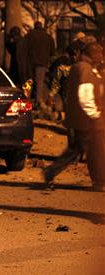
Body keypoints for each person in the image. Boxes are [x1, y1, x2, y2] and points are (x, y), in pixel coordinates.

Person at [44, 42, 104, 192]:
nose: (102, 57)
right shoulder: (84, 69)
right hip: (88, 121)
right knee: (95, 150)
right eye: (100, 54)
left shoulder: (82, 67)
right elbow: (85, 96)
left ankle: (51, 171)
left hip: (82, 119)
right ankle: (99, 181)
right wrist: (94, 114)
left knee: (77, 150)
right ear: (94, 54)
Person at [25, 21, 55, 109]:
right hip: (42, 63)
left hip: (30, 62)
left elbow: (24, 47)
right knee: (39, 83)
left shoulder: (29, 35)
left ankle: (26, 100)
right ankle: (38, 102)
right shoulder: (48, 37)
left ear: (35, 26)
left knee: (29, 82)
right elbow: (52, 52)